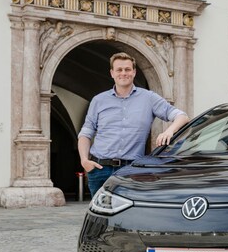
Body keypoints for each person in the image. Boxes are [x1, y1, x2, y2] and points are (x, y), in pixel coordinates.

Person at [78, 52, 189, 196]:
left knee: (128, 215)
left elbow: (182, 116)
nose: (123, 73)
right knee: (99, 215)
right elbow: (86, 133)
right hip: (99, 169)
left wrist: (169, 131)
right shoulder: (98, 100)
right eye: (119, 69)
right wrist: (84, 161)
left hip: (131, 170)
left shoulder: (149, 98)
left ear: (134, 72)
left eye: (127, 69)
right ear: (112, 73)